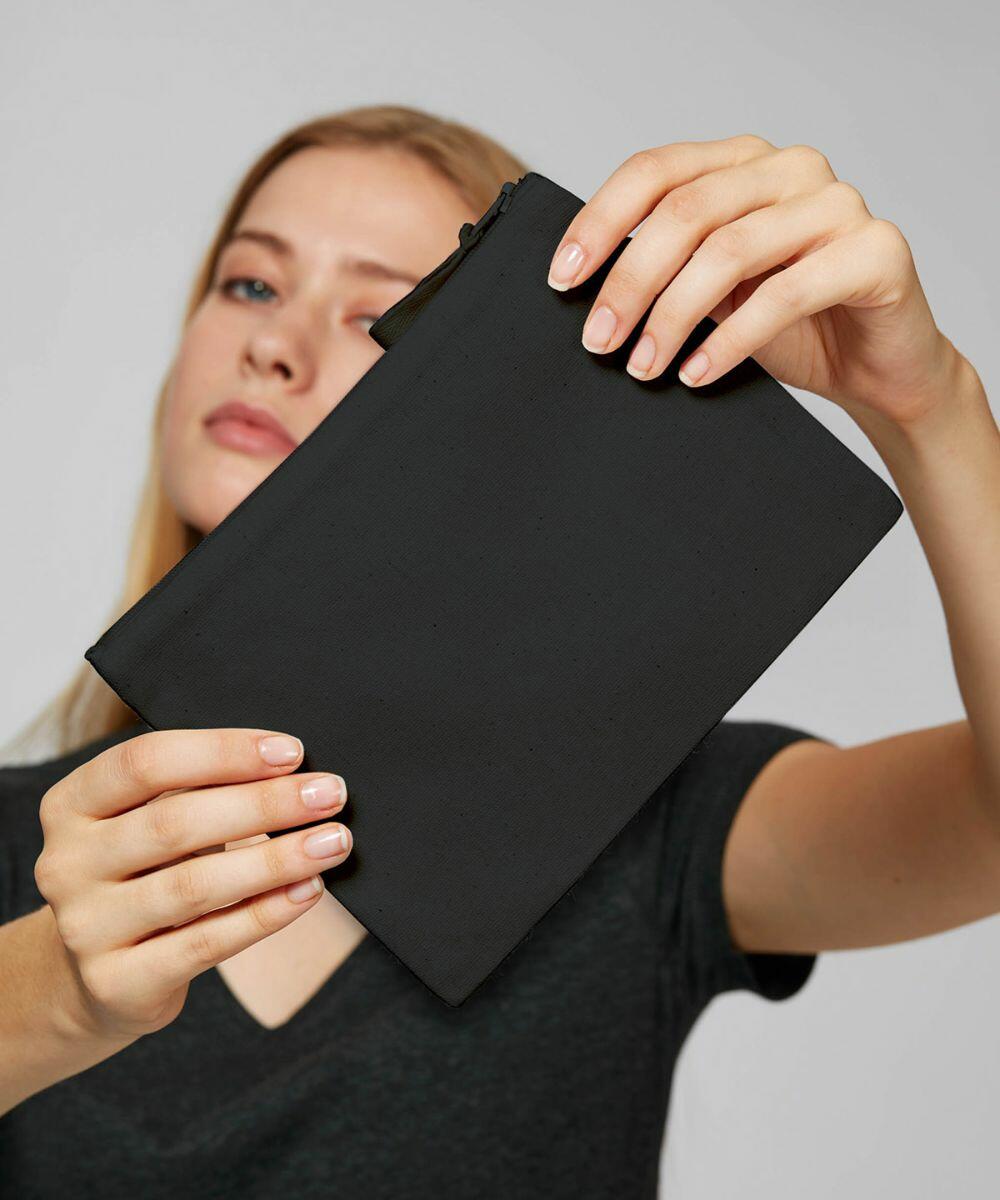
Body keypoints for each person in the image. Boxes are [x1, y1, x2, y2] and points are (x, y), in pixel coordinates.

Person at [0, 103, 996, 1198]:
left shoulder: (648, 839)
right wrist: (55, 991)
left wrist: (931, 404)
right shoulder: (19, 842)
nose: (272, 346)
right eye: (251, 283)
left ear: (507, 403)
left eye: (375, 311)